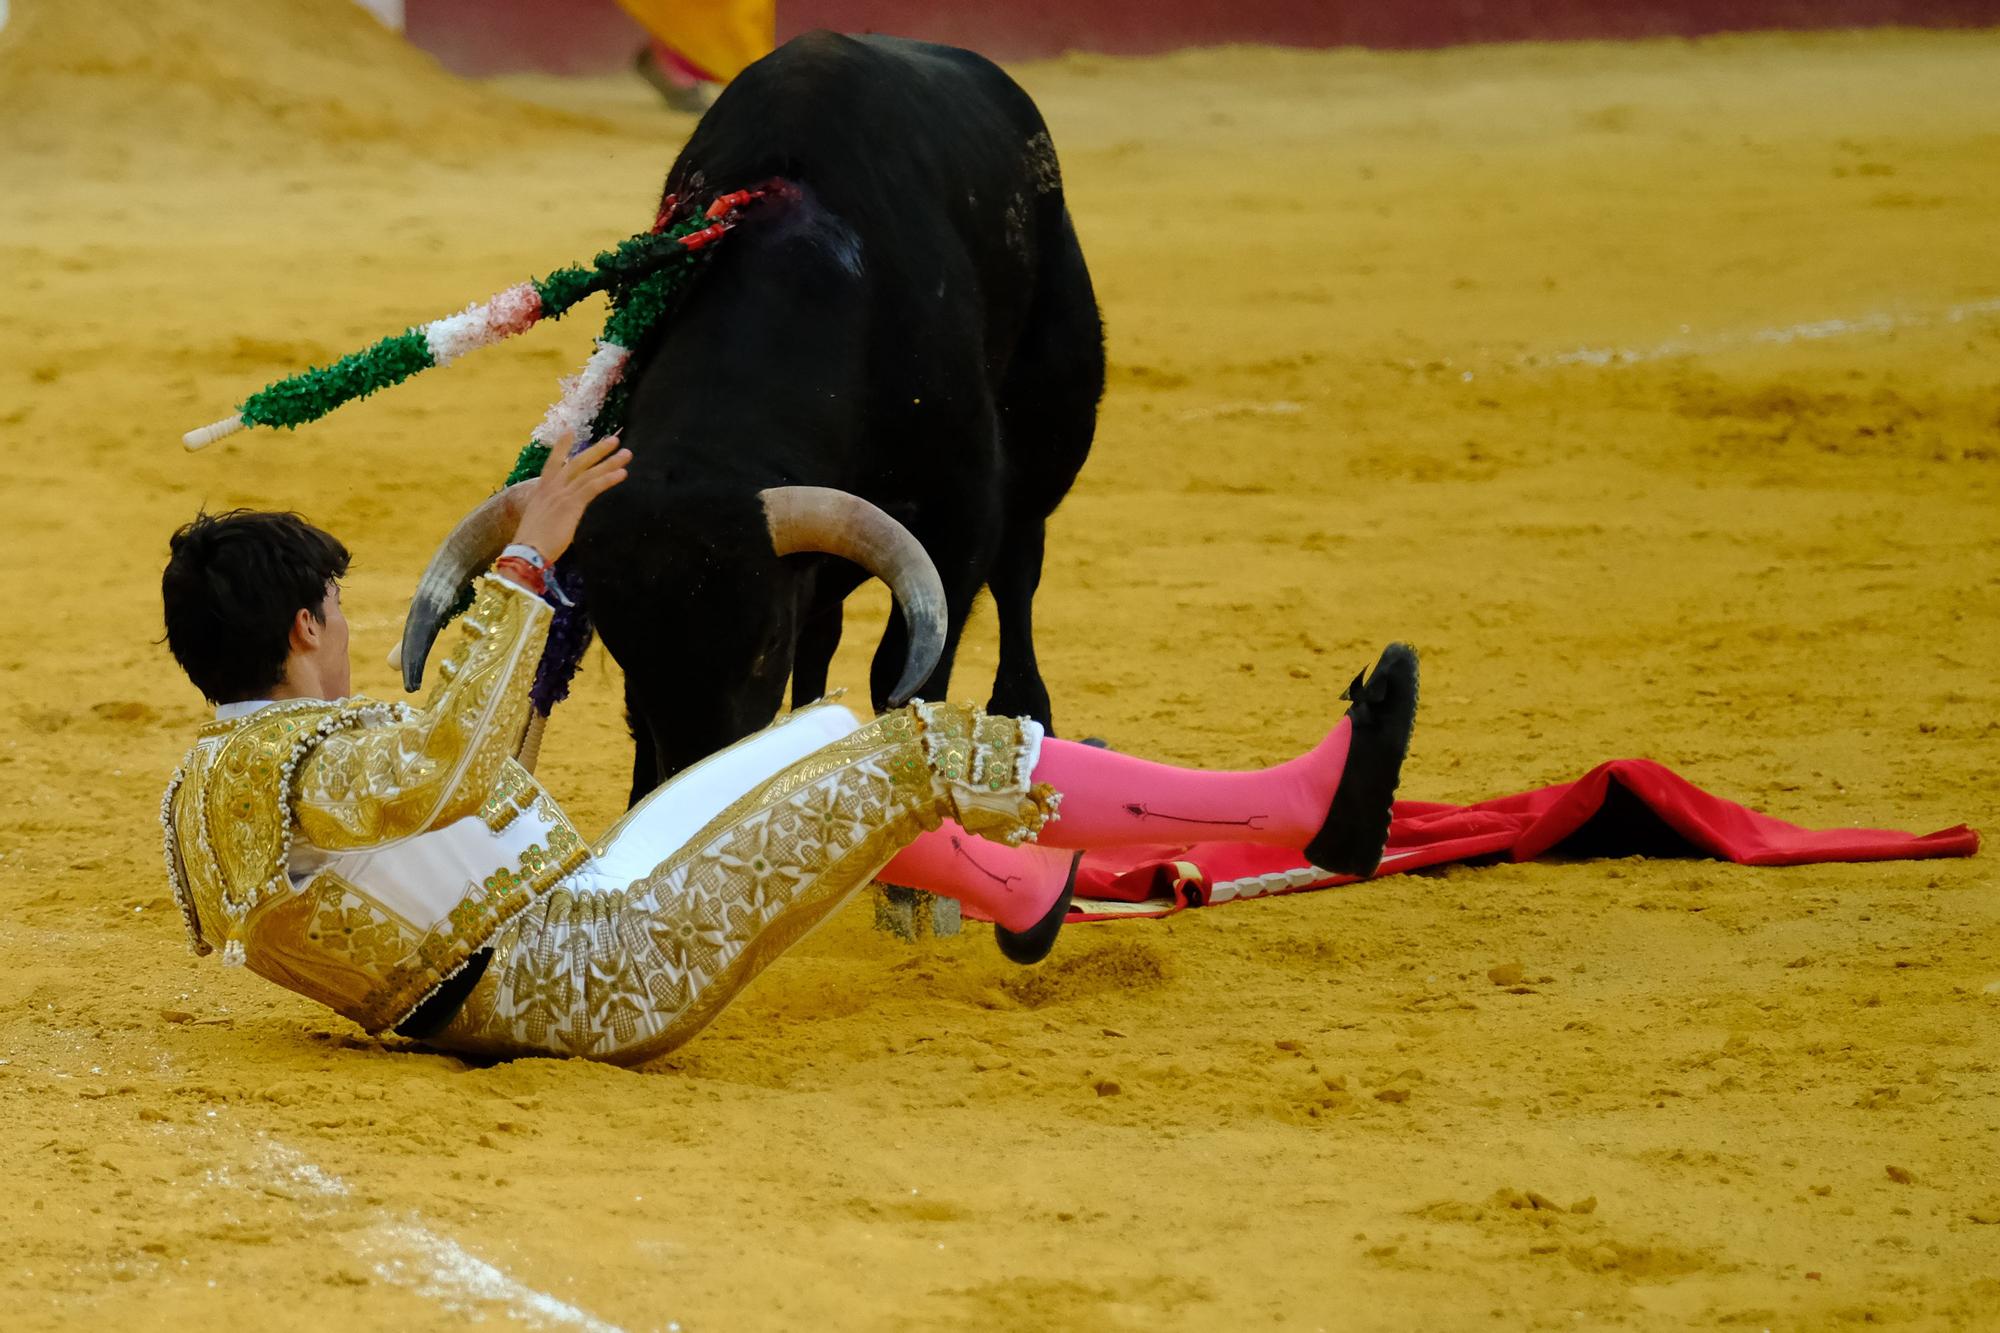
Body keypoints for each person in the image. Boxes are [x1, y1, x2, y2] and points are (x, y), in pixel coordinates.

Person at [158, 439, 1419, 1064]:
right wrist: (533, 553)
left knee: (813, 743)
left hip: (558, 929)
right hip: (591, 971)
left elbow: (426, 794)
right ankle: (1298, 805)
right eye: (339, 606)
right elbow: (442, 764)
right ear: (303, 623)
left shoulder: (220, 776)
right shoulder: (299, 769)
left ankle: (1020, 883)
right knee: (912, 752)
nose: (351, 627)